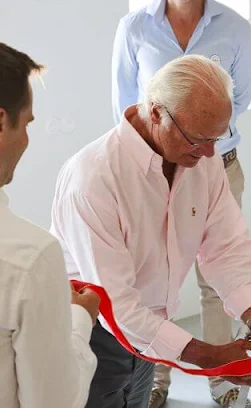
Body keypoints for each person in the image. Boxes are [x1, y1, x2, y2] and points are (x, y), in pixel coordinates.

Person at [50, 55, 251, 408]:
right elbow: (115, 304)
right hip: (90, 337)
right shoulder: (93, 179)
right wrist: (208, 356)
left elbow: (226, 249)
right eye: (198, 138)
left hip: (151, 332)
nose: (211, 152)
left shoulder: (203, 157)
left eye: (218, 136)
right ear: (155, 113)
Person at [111, 2, 251, 405]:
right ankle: (156, 381)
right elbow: (124, 101)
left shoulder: (236, 28)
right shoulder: (134, 27)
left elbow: (235, 101)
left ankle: (224, 382)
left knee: (216, 281)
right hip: (152, 173)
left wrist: (196, 135)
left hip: (217, 165)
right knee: (151, 281)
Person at [0, 42, 101, 408]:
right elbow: (55, 400)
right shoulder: (31, 258)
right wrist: (79, 316)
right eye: (26, 123)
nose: (26, 139)